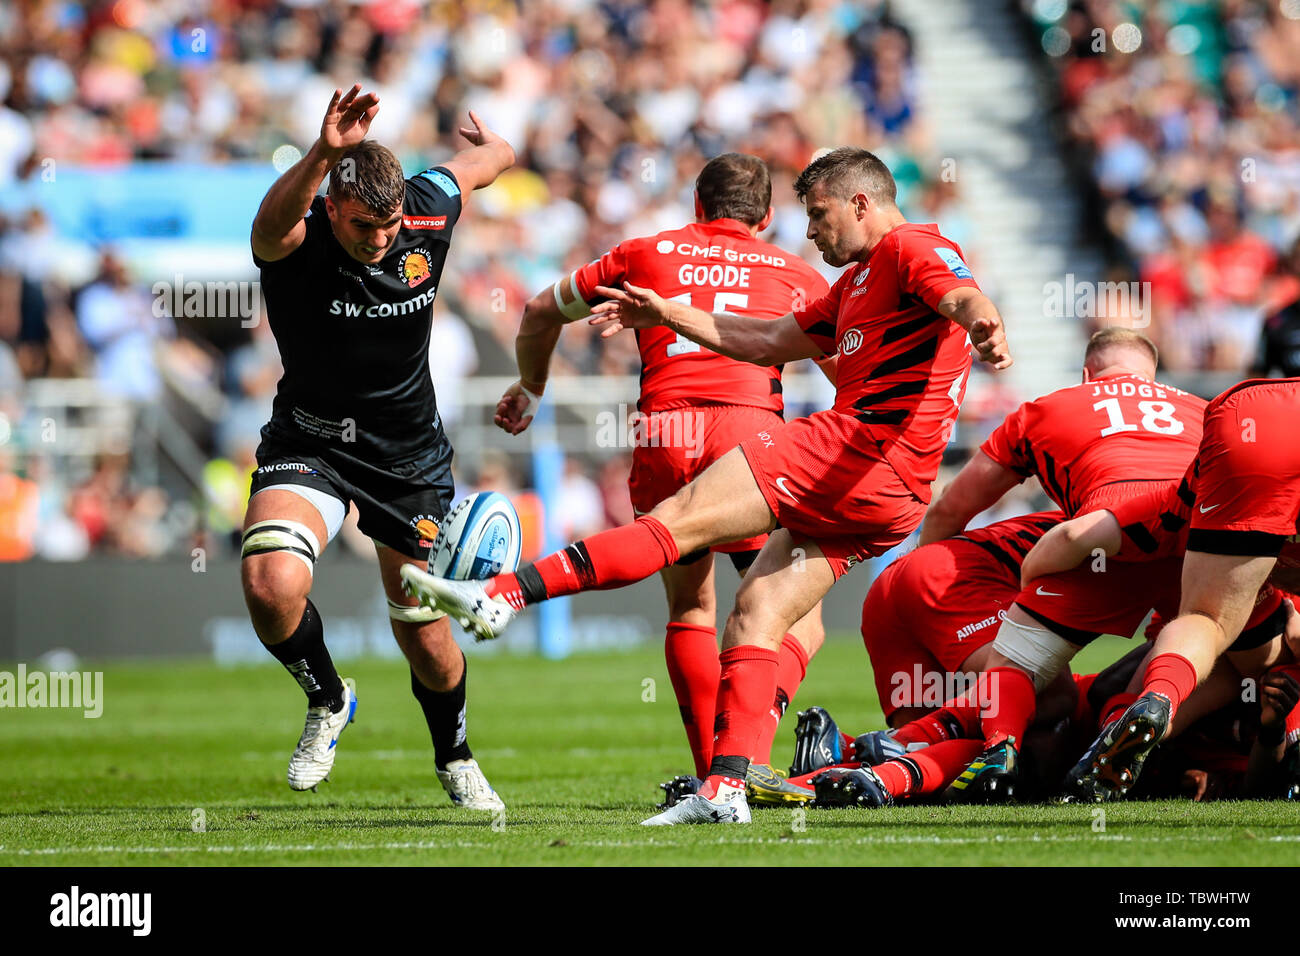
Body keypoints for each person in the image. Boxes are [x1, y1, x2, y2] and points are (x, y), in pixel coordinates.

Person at [403, 146, 1012, 825]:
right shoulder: (846, 283)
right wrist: (669, 313)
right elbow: (765, 339)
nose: (810, 232)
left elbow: (956, 289)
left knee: (675, 532)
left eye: (819, 216)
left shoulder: (908, 246)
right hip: (892, 494)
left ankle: (500, 594)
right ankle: (725, 788)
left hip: (841, 446)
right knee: (760, 614)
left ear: (861, 203)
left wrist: (980, 322)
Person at [492, 152, 833, 791]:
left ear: (698, 207)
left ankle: (714, 775)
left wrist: (531, 388)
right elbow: (852, 380)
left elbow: (539, 311)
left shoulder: (644, 253)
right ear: (765, 218)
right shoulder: (797, 274)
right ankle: (748, 741)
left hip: (663, 432)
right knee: (797, 616)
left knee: (691, 607)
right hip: (750, 435)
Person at [242, 84, 515, 808]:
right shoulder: (297, 239)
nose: (380, 239)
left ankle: (454, 755)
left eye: (390, 227)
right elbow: (265, 228)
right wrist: (323, 152)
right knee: (270, 585)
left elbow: (495, 158)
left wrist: (488, 144)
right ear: (331, 206)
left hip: (408, 456)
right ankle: (329, 699)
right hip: (312, 439)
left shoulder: (426, 202)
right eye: (364, 226)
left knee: (423, 636)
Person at [913, 328, 1207, 800]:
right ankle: (1138, 716)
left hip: (1104, 534)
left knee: (1013, 659)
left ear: (1088, 374)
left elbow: (953, 507)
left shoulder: (1050, 407)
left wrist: (923, 560)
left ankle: (1000, 747)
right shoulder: (1200, 409)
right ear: (1154, 377)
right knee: (1204, 633)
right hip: (1200, 536)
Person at [1018, 377, 1300, 799]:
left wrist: (1025, 599)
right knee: (1258, 652)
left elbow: (1074, 537)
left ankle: (1153, 706)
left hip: (1252, 411)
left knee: (1207, 623)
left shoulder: (1172, 506)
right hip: (1256, 658)